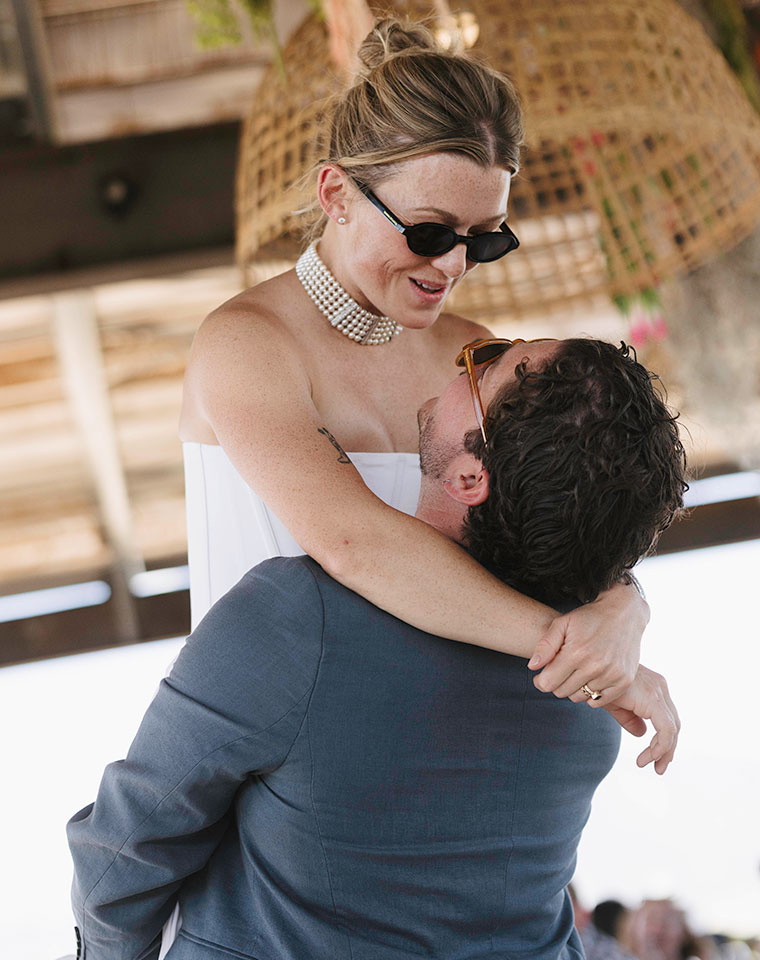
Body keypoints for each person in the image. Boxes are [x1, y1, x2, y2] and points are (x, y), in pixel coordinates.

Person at [68, 336, 686, 960]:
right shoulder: (594, 695)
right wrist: (627, 601)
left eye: (484, 360)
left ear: (471, 476)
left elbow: (122, 854)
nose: (461, 355)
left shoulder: (299, 621)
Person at [179, 17, 651, 714]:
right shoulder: (246, 345)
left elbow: (560, 515)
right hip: (269, 738)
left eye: (484, 241)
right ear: (335, 194)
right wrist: (572, 649)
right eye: (429, 231)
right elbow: (356, 544)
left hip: (433, 735)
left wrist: (625, 608)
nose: (454, 264)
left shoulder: (478, 355)